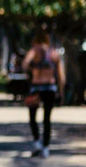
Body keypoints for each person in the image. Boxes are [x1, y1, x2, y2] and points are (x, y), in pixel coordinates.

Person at [22, 30, 65, 158]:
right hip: (50, 88)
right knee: (47, 119)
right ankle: (46, 147)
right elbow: (62, 77)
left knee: (32, 117)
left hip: (36, 87)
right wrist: (61, 92)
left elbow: (24, 64)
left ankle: (37, 141)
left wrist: (33, 70)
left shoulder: (34, 50)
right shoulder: (54, 53)